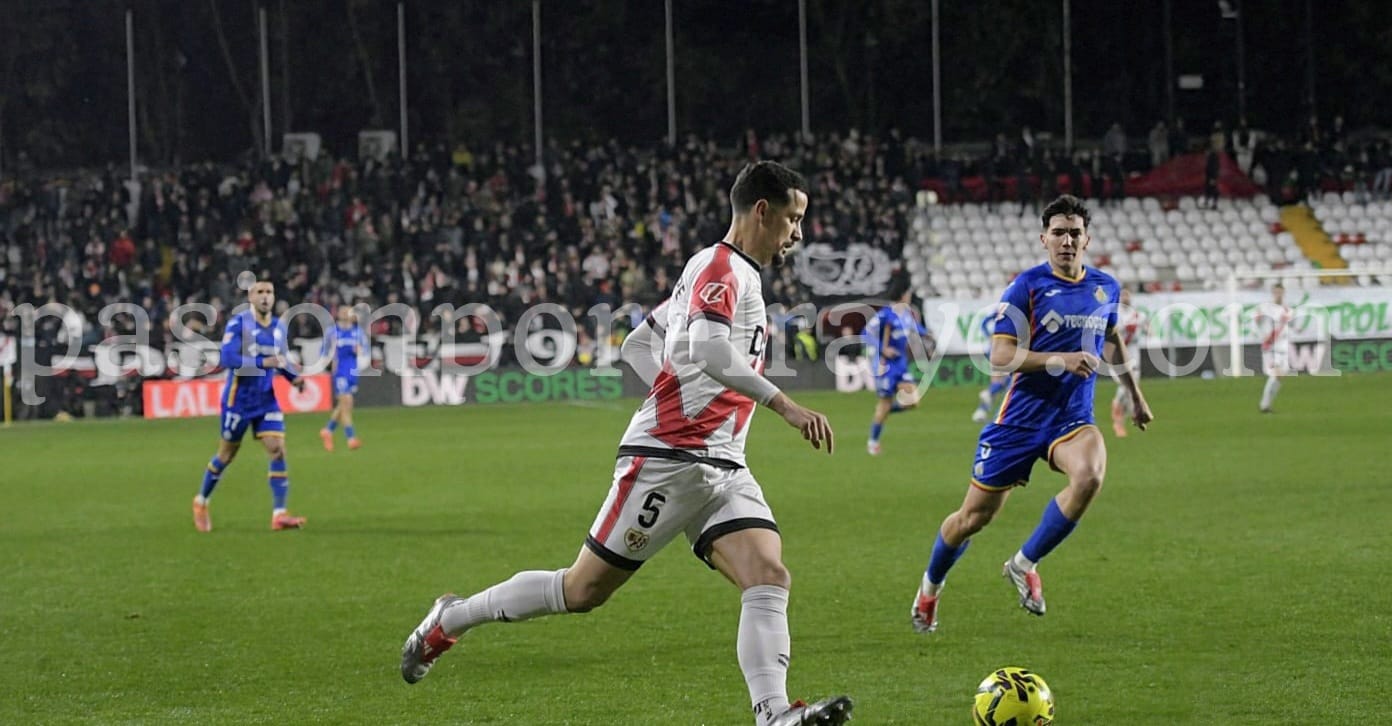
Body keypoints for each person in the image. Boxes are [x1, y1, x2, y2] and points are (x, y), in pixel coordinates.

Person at [399, 161, 853, 726]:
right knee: (582, 589)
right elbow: (708, 349)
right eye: (794, 218)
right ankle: (452, 619)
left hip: (721, 465)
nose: (798, 233)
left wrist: (679, 392)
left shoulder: (721, 272)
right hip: (668, 460)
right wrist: (780, 405)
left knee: (767, 575)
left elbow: (642, 342)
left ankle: (775, 713)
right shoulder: (721, 267)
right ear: (762, 210)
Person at [909, 195, 1153, 634]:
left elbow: (1112, 337)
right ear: (1044, 239)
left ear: (1087, 239)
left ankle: (1024, 563)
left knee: (1091, 476)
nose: (1066, 240)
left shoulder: (1105, 287)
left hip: (1071, 420)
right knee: (971, 520)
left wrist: (1134, 393)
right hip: (1019, 422)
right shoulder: (1028, 286)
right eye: (1058, 232)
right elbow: (999, 354)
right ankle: (930, 588)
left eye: (1074, 232)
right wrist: (1059, 360)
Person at [191, 280, 308, 532]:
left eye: (269, 292)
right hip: (239, 401)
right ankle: (201, 501)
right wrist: (263, 362)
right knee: (226, 455)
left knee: (277, 449)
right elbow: (228, 358)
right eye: (260, 292)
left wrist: (293, 378)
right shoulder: (239, 323)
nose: (265, 297)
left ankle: (279, 514)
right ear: (250, 297)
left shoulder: (278, 328)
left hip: (266, 399)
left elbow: (279, 361)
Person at [864, 278, 927, 454]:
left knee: (913, 401)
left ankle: (885, 411)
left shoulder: (906, 315)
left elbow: (916, 329)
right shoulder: (886, 315)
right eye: (908, 293)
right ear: (902, 294)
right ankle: (873, 442)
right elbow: (866, 333)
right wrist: (882, 348)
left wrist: (928, 335)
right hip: (886, 366)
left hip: (901, 365)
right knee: (885, 402)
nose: (910, 296)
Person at [319, 305, 365, 451]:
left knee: (345, 405)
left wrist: (360, 350)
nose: (345, 313)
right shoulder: (332, 332)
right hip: (339, 371)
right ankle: (351, 438)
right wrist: (330, 359)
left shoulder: (357, 332)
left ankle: (327, 431)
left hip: (352, 371)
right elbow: (324, 351)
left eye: (348, 312)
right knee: (346, 402)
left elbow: (364, 350)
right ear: (338, 314)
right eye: (343, 311)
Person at [1110, 287, 1147, 437]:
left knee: (1131, 387)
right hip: (1118, 353)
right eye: (1123, 294)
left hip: (1133, 353)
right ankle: (1119, 420)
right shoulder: (1115, 315)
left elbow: (1146, 327)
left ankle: (1123, 416)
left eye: (1127, 294)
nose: (1126, 297)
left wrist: (1146, 329)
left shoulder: (1137, 314)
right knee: (1125, 386)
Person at [1257, 283, 1293, 413]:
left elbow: (1289, 325)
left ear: (1283, 293)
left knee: (1280, 376)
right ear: (1273, 293)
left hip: (1282, 346)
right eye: (1276, 292)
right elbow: (1257, 320)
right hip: (1271, 346)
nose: (1278, 294)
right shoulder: (1266, 308)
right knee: (1275, 374)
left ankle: (1267, 404)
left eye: (1280, 292)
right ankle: (1264, 405)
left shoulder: (1286, 309)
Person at [972, 315, 1007, 424]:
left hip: (995, 349)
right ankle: (990, 394)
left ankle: (981, 411)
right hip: (1002, 350)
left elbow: (984, 322)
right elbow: (984, 322)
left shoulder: (1002, 309)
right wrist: (989, 336)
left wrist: (989, 336)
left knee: (997, 381)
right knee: (1006, 382)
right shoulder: (1013, 310)